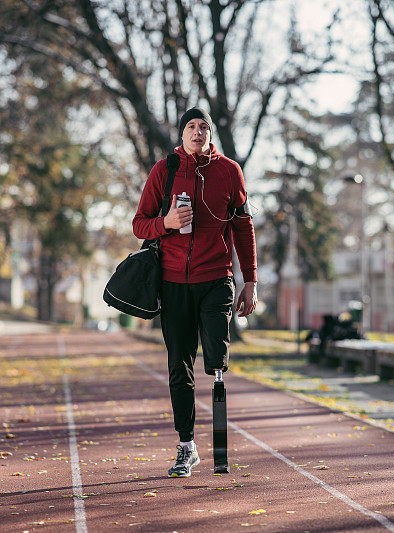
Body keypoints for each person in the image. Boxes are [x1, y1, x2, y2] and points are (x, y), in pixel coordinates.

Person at [132, 107, 258, 477]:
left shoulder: (229, 171)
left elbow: (243, 226)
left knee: (216, 359)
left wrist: (249, 280)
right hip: (173, 283)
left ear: (210, 135)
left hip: (216, 278)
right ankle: (186, 446)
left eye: (204, 127)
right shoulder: (164, 170)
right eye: (191, 126)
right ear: (183, 134)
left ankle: (220, 436)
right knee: (178, 366)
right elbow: (140, 225)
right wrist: (166, 223)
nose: (198, 132)